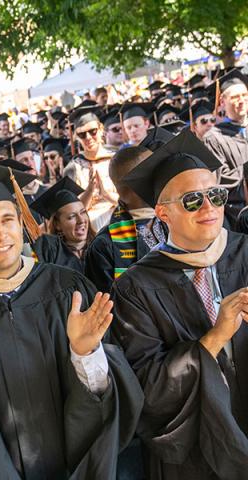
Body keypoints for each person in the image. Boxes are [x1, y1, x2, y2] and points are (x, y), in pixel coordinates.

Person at [0, 160, 143, 479]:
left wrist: (86, 354)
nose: (0, 234)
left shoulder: (67, 289)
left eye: (8, 219)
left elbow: (114, 393)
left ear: (21, 224)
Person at [111, 129, 248, 479]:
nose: (209, 208)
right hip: (195, 451)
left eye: (215, 195)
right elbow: (148, 387)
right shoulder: (135, 287)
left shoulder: (245, 252)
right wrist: (216, 337)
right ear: (162, 212)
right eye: (191, 200)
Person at [86, 146, 167, 293]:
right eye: (153, 171)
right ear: (134, 185)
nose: (162, 176)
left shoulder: (175, 221)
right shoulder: (103, 246)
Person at [203, 69, 248, 227]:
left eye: (244, 95)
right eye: (235, 97)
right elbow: (218, 181)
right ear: (222, 101)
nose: (241, 100)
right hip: (239, 217)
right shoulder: (214, 138)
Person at [64, 107, 118, 232]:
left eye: (92, 131)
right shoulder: (73, 168)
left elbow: (129, 200)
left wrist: (107, 195)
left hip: (119, 219)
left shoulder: (116, 158)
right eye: (82, 135)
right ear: (76, 137)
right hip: (91, 227)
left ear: (101, 129)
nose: (88, 137)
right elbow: (73, 210)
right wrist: (89, 191)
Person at [30, 177, 95, 272]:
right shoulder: (51, 258)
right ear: (57, 225)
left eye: (83, 212)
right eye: (71, 216)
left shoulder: (100, 245)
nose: (81, 220)